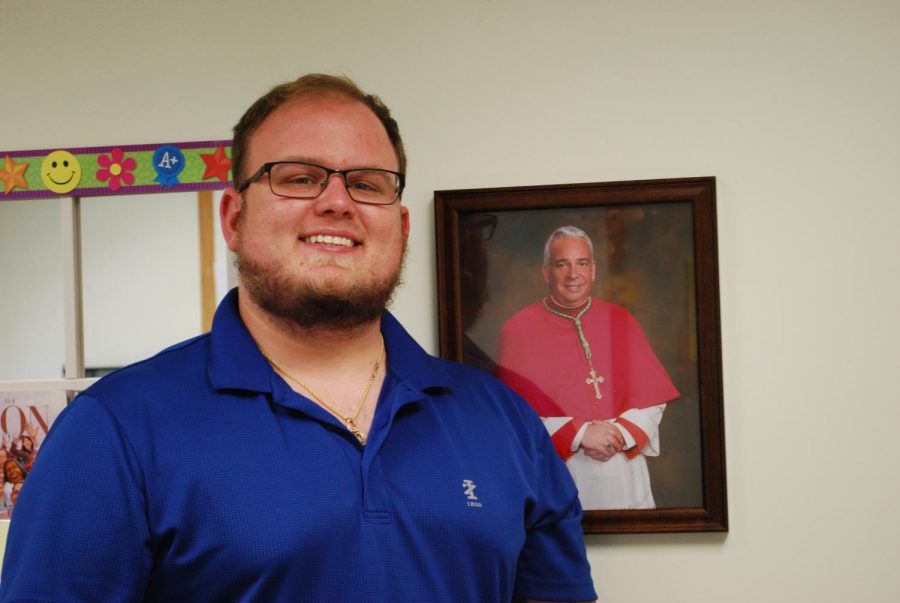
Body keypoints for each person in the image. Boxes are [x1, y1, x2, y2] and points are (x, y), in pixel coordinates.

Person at [0, 75, 596, 603]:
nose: (336, 202)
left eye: (366, 183)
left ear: (400, 225)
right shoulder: (115, 430)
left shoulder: (504, 422)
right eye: (299, 177)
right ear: (234, 219)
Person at [496, 225, 679, 510]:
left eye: (581, 263)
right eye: (562, 264)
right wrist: (580, 434)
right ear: (546, 272)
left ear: (593, 269)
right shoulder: (519, 329)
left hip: (624, 471)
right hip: (560, 471)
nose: (573, 275)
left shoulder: (621, 320)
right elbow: (511, 415)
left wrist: (620, 434)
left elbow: (653, 399)